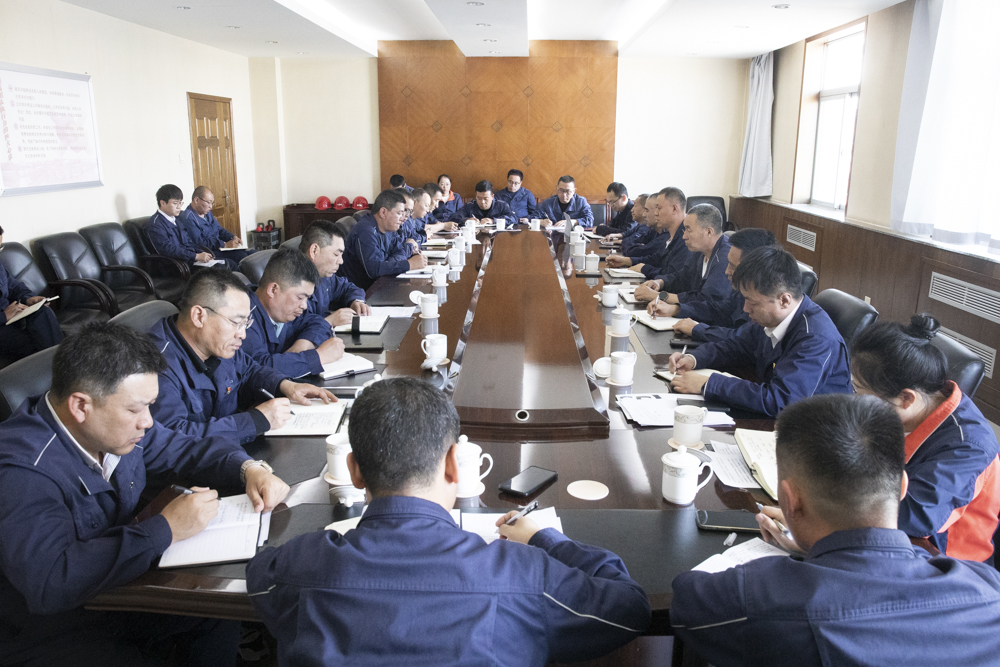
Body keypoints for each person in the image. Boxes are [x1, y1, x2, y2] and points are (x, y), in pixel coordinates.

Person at [246, 378, 651, 666]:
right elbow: (630, 608)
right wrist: (547, 540)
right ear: (455, 464)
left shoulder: (302, 566)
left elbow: (259, 574)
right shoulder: (524, 575)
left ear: (354, 471)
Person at [0, 322, 290, 667]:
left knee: (213, 612)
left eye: (150, 406)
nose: (148, 421)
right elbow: (51, 581)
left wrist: (248, 468)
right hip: (49, 627)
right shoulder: (22, 472)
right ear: (80, 406)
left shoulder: (111, 428)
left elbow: (185, 448)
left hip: (112, 588)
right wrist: (165, 529)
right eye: (136, 409)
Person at [671, 393, 1000, 666]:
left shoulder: (757, 597)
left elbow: (686, 603)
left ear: (789, 500)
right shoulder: (988, 589)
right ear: (902, 487)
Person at [851, 315, 1000, 561]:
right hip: (891, 532)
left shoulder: (968, 446)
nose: (854, 400)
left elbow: (914, 517)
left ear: (906, 398)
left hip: (944, 561)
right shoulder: (914, 405)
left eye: (859, 392)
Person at [148, 268, 336, 445]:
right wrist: (255, 421)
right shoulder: (155, 366)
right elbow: (173, 438)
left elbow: (249, 370)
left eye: (246, 323)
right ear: (199, 316)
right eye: (236, 322)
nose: (243, 334)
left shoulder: (217, 343)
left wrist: (286, 385)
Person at [668, 245, 851, 416]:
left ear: (784, 300)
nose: (746, 309)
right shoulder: (771, 318)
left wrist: (709, 384)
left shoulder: (816, 338)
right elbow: (737, 345)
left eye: (752, 303)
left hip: (817, 428)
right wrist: (695, 358)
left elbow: (782, 400)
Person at [649, 228, 776, 342]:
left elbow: (743, 339)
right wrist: (676, 309)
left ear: (754, 268)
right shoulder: (741, 291)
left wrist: (698, 329)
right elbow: (718, 310)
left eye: (733, 266)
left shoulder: (768, 301)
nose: (727, 271)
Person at [241, 248, 346, 379]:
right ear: (273, 290)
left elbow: (317, 322)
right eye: (300, 297)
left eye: (307, 298)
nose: (304, 305)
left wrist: (303, 344)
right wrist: (319, 357)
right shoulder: (242, 317)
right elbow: (259, 369)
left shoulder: (283, 310)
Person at [636, 204, 731, 306]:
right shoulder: (701, 250)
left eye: (688, 230)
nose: (684, 236)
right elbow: (683, 277)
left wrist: (658, 296)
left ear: (708, 232)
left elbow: (705, 301)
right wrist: (660, 282)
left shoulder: (725, 259)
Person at [340, 189, 427, 290]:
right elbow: (374, 270)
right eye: (399, 213)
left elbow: (399, 250)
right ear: (383, 212)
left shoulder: (389, 228)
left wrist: (390, 263)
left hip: (381, 284)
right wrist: (409, 264)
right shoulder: (366, 231)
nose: (402, 218)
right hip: (362, 291)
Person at [0, 225, 63, 360]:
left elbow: (14, 286)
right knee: (34, 342)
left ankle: (61, 361)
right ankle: (58, 364)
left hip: (12, 316)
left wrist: (29, 298)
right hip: (2, 324)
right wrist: (4, 317)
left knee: (43, 311)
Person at [606, 188, 693, 277]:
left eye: (659, 208)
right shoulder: (672, 234)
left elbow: (672, 275)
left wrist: (644, 268)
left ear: (674, 209)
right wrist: (627, 261)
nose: (655, 213)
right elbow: (656, 259)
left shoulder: (686, 238)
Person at [299, 220, 370, 327]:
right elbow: (297, 332)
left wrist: (356, 301)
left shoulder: (323, 274)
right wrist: (329, 321)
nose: (341, 261)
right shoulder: (292, 285)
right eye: (336, 254)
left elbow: (347, 287)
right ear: (314, 251)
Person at [146, 184, 221, 269]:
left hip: (188, 260)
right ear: (163, 203)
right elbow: (168, 249)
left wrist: (202, 253)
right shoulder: (155, 224)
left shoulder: (178, 219)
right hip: (175, 266)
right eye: (175, 203)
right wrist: (195, 256)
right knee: (219, 269)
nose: (179, 207)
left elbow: (188, 242)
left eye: (180, 203)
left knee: (225, 264)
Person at [179, 186, 254, 265]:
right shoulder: (187, 218)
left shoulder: (207, 213)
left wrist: (232, 237)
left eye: (212, 203)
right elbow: (200, 242)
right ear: (196, 200)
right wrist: (224, 245)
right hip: (209, 252)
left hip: (219, 248)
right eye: (208, 202)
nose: (211, 207)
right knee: (242, 256)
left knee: (253, 253)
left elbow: (219, 229)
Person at [448, 180, 517, 226]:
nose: (482, 202)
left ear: (492, 196)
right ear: (476, 195)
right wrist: (467, 220)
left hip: (497, 238)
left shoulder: (501, 205)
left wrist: (493, 221)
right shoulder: (470, 206)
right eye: (479, 198)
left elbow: (514, 219)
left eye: (486, 198)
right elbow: (453, 218)